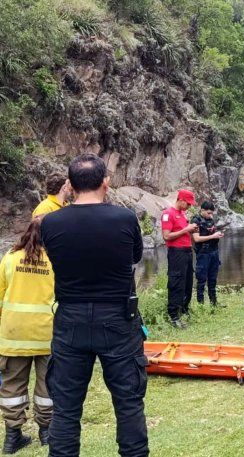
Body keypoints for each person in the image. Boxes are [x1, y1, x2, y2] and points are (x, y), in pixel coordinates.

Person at [41, 153, 148, 456]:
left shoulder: (51, 222)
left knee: (65, 408)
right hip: (117, 318)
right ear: (105, 182)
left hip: (70, 320)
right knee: (128, 403)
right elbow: (136, 257)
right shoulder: (124, 218)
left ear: (70, 185)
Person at [0, 217, 54, 454]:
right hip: (46, 333)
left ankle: (12, 438)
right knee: (48, 386)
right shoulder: (54, 260)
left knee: (12, 387)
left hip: (13, 335)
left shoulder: (10, 258)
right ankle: (46, 433)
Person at [161, 190, 198, 328]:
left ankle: (184, 310)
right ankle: (173, 315)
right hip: (176, 252)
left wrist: (191, 230)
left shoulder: (183, 214)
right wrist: (185, 230)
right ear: (181, 200)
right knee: (176, 282)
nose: (189, 206)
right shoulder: (168, 214)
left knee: (188, 282)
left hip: (187, 251)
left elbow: (183, 231)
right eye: (188, 203)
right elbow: (166, 236)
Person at [191, 201, 225, 307]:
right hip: (203, 254)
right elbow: (196, 238)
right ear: (202, 210)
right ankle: (201, 305)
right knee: (201, 280)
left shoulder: (211, 220)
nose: (211, 215)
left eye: (212, 213)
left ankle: (214, 303)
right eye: (209, 213)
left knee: (213, 279)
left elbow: (212, 232)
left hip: (214, 252)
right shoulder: (195, 220)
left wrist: (218, 234)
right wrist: (212, 236)